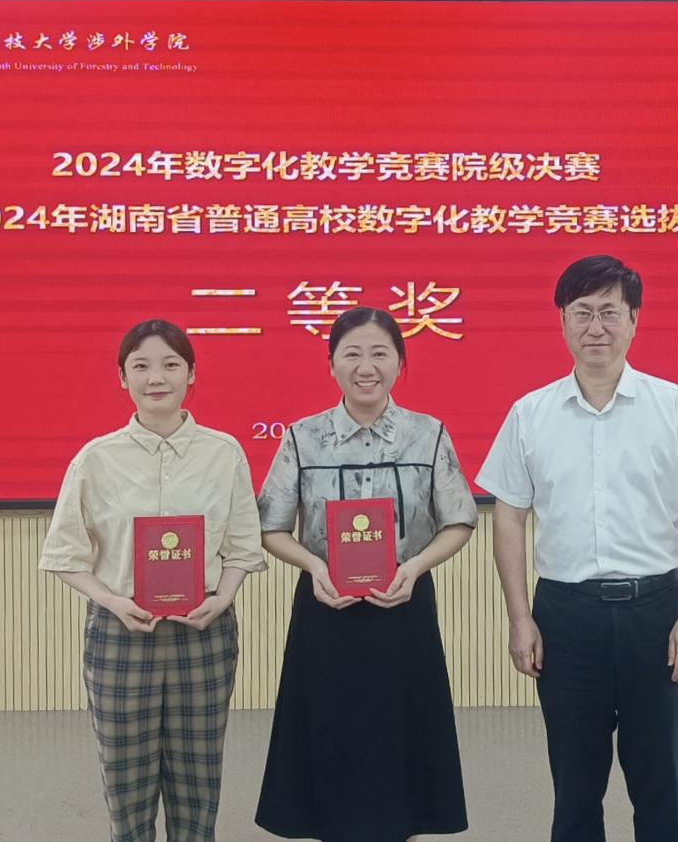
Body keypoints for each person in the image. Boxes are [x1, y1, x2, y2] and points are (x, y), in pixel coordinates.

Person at [476, 255, 678, 842]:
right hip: (566, 617)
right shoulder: (530, 414)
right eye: (582, 313)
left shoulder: (675, 407)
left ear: (634, 320)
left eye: (609, 313)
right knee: (574, 789)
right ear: (563, 322)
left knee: (660, 787)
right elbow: (509, 518)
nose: (596, 327)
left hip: (658, 614)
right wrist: (520, 618)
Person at [254, 306, 478, 842]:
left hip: (404, 605)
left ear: (400, 362)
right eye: (351, 353)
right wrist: (313, 565)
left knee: (401, 736)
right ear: (330, 363)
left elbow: (459, 521)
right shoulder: (302, 438)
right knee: (329, 736)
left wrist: (415, 567)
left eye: (380, 353)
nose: (366, 367)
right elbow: (270, 527)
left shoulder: (428, 434)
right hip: (325, 608)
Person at [38, 319, 266, 842]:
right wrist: (111, 600)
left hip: (203, 630)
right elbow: (66, 554)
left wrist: (224, 597)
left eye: (170, 365)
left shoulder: (223, 452)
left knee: (198, 779)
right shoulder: (96, 458)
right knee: (126, 783)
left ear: (191, 374)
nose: (155, 377)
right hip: (121, 632)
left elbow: (242, 545)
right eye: (140, 366)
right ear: (123, 377)